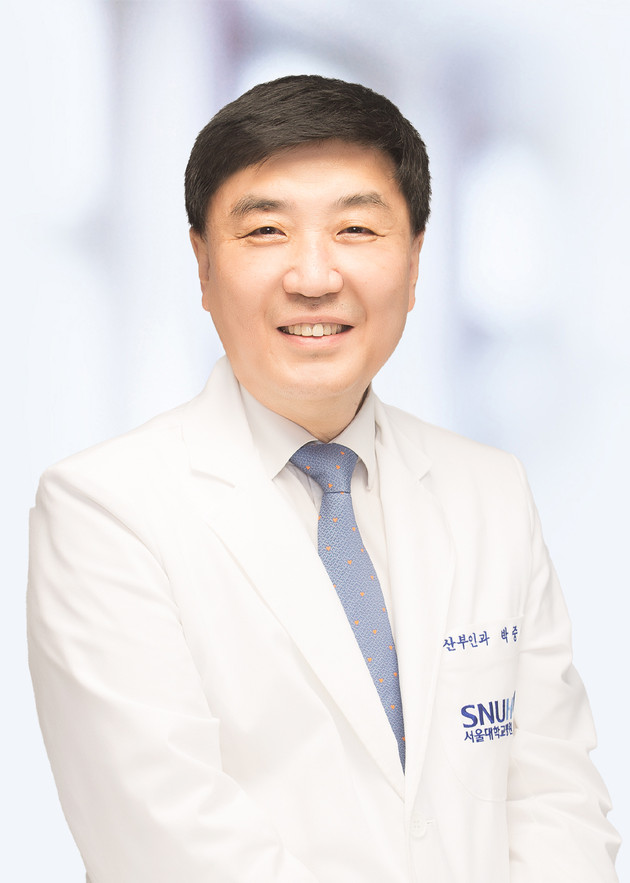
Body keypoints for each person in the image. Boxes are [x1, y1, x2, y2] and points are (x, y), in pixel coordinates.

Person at [27, 74, 620, 882]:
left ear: (416, 261)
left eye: (356, 228)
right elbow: (171, 844)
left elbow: (554, 798)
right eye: (266, 230)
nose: (313, 276)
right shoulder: (104, 510)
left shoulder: (492, 492)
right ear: (202, 265)